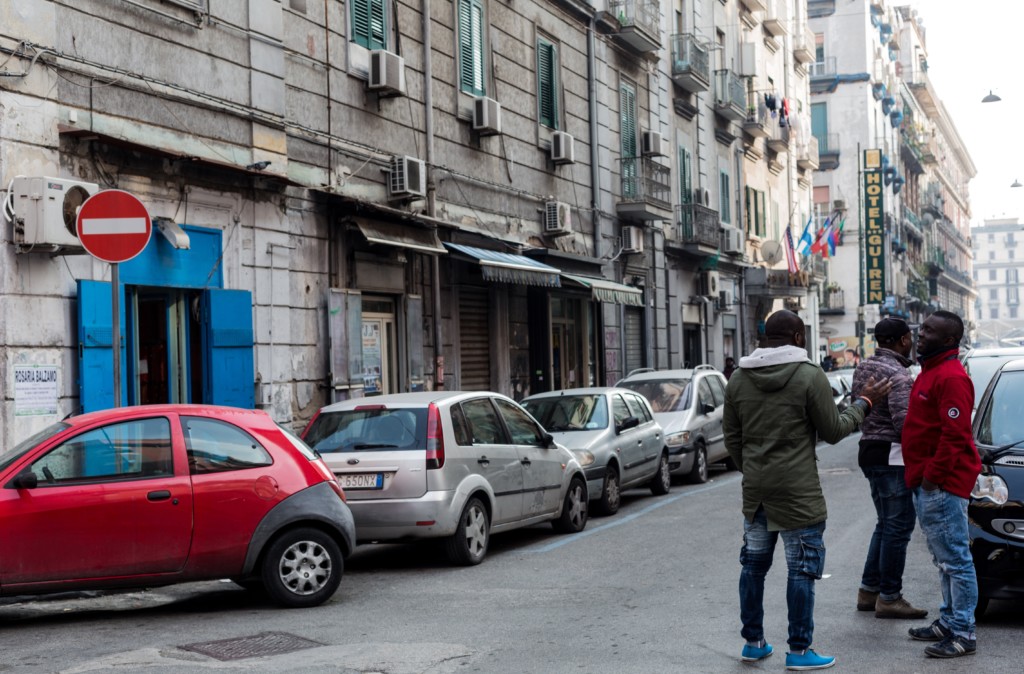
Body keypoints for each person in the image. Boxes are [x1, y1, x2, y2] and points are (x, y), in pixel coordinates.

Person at [724, 310, 892, 670]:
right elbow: (833, 430)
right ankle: (799, 651)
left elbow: (732, 439)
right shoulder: (809, 375)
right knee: (801, 569)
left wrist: (753, 469)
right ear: (799, 338)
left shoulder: (738, 378)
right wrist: (863, 403)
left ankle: (753, 643)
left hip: (757, 491)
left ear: (764, 337)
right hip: (798, 491)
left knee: (753, 567)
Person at [902, 310, 981, 658]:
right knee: (944, 559)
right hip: (929, 483)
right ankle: (948, 621)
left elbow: (955, 434)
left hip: (942, 485)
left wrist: (933, 478)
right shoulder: (931, 371)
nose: (921, 334)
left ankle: (963, 632)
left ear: (949, 340)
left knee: (956, 561)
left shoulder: (950, 377)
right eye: (922, 328)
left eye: (929, 330)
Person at [852, 317, 928, 619]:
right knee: (899, 526)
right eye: (910, 338)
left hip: (869, 450)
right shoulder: (898, 375)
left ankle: (869, 591)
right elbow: (903, 423)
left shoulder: (863, 367)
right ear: (903, 340)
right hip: (892, 456)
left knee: (885, 524)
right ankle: (890, 597)